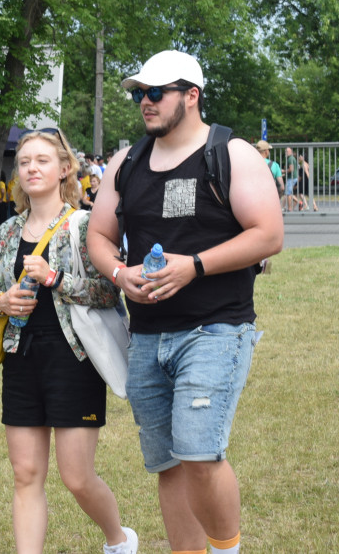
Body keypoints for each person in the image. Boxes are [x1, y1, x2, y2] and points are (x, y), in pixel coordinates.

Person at [87, 50, 284, 554]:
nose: (144, 103)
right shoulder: (125, 162)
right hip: (147, 336)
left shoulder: (232, 153)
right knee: (168, 464)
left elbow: (268, 235)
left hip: (216, 328)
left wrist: (192, 265)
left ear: (191, 96)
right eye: (138, 94)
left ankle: (226, 549)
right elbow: (99, 236)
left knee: (198, 452)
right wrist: (119, 271)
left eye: (155, 93)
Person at [0, 127, 137, 554]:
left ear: (64, 168)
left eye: (42, 160)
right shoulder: (7, 232)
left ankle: (119, 540)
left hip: (74, 359)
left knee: (76, 477)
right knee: (26, 474)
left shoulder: (85, 226)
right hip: (22, 358)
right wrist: (3, 302)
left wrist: (55, 279)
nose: (31, 168)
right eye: (25, 162)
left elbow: (108, 293)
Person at [254, 140, 284, 205]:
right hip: (270, 199)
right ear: (266, 151)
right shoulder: (275, 165)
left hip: (254, 200)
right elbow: (281, 188)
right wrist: (277, 199)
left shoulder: (250, 164)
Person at [283, 147, 299, 211]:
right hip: (292, 178)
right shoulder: (290, 158)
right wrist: (284, 174)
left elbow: (291, 169)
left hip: (291, 178)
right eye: (285, 151)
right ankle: (298, 203)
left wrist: (283, 171)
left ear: (291, 152)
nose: (286, 152)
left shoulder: (290, 159)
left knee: (288, 194)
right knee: (288, 193)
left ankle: (290, 208)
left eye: (287, 151)